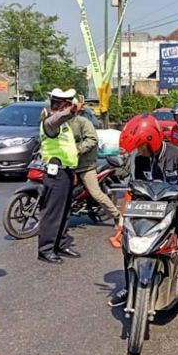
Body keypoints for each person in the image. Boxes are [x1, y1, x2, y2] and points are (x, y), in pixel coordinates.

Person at [109, 114, 178, 325]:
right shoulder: (140, 159)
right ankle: (130, 286)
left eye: (140, 146)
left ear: (151, 141)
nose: (139, 151)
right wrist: (123, 218)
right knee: (130, 246)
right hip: (151, 212)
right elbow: (135, 188)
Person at [67, 96, 123, 245]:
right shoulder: (64, 120)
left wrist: (78, 150)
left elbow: (92, 140)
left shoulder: (85, 119)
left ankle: (117, 215)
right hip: (68, 163)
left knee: (95, 192)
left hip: (85, 164)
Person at [37, 88, 83, 264]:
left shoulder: (64, 125)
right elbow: (58, 118)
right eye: (68, 104)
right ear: (62, 105)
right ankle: (46, 249)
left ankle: (61, 244)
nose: (71, 107)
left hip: (66, 172)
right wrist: (71, 111)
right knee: (53, 213)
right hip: (55, 174)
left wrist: (72, 172)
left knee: (65, 212)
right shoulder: (50, 122)